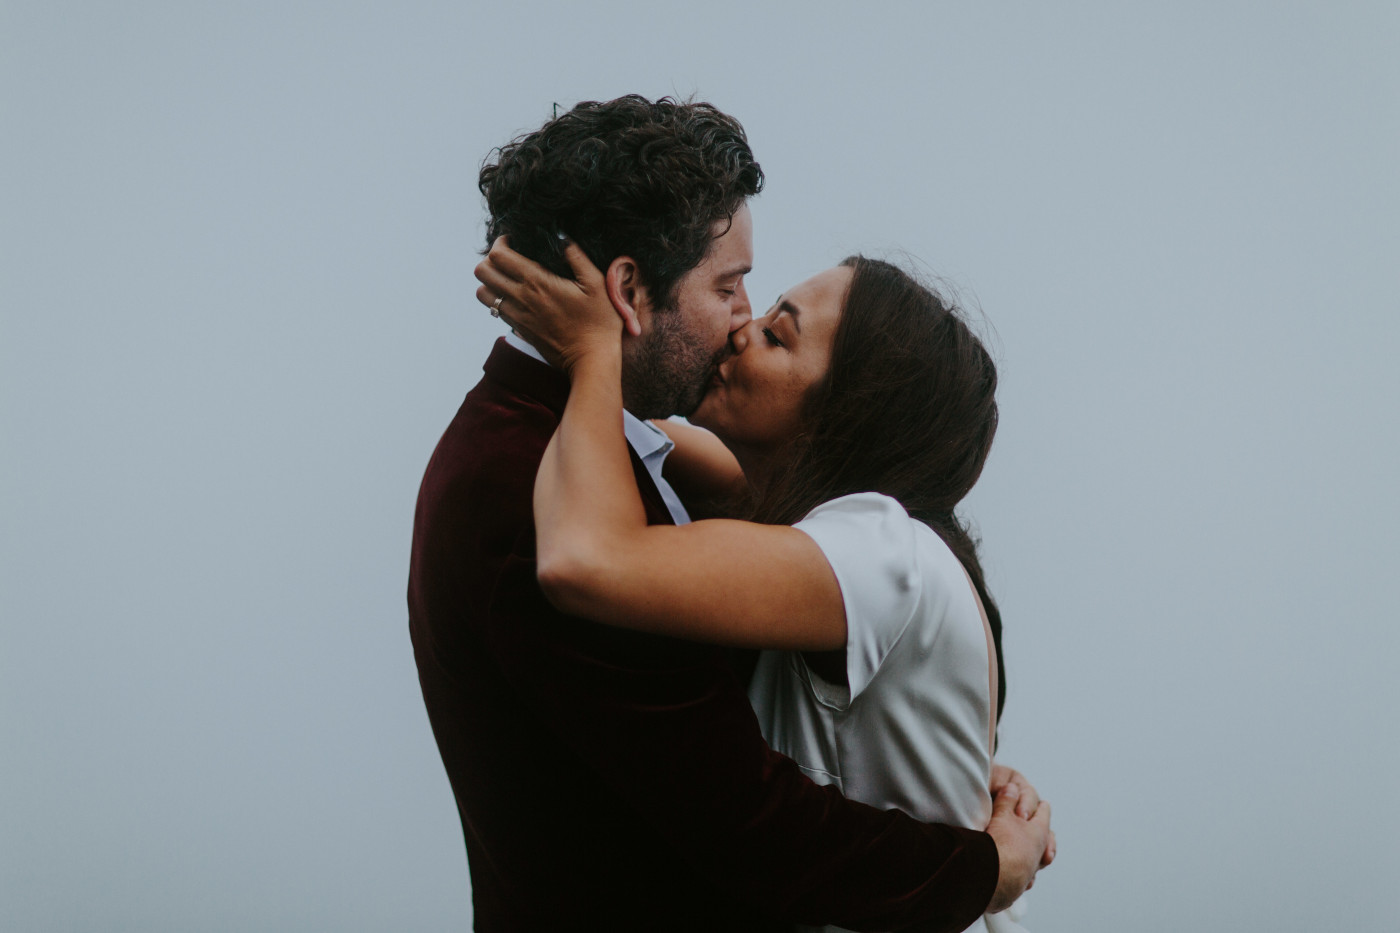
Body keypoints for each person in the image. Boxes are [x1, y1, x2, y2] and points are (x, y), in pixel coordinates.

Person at [408, 94, 1050, 932]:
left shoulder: (612, 455)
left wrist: (958, 771)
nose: (742, 320)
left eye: (772, 320)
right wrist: (982, 868)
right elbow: (749, 822)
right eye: (731, 285)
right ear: (629, 289)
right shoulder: (522, 482)